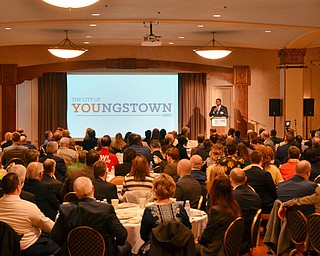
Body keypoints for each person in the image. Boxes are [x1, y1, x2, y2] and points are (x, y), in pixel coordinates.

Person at [51, 176, 131, 256]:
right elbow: (122, 235)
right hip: (104, 252)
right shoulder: (105, 209)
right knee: (127, 246)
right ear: (93, 189)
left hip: (73, 252)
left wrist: (70, 246)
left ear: (75, 192)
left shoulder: (66, 210)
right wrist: (113, 244)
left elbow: (55, 236)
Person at [0, 173, 60, 256]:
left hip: (3, 247)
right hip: (27, 247)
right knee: (59, 244)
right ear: (18, 187)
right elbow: (49, 226)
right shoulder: (28, 207)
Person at [196, 176, 241, 256]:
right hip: (230, 247)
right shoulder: (234, 205)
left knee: (188, 246)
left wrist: (198, 240)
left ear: (214, 190)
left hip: (215, 249)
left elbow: (207, 234)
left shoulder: (217, 210)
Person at [140, 173, 191, 242]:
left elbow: (144, 235)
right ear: (172, 189)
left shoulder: (149, 210)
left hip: (156, 250)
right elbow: (188, 228)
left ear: (155, 190)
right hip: (179, 249)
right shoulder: (179, 208)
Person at [230, 168, 261, 255]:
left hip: (232, 238)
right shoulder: (256, 196)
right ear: (245, 179)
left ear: (230, 180)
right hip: (249, 237)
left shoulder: (231, 197)